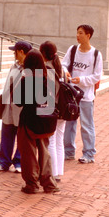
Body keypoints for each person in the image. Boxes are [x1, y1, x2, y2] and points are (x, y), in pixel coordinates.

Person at [14, 49, 60, 194]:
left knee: (28, 154)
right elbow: (53, 99)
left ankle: (31, 183)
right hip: (46, 119)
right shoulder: (50, 75)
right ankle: (49, 183)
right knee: (45, 152)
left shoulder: (28, 78)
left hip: (30, 120)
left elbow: (19, 102)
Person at [61, 25, 102, 163]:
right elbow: (64, 64)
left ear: (88, 35)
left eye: (80, 33)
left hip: (86, 96)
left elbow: (97, 76)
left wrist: (82, 80)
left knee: (86, 124)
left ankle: (89, 154)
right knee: (69, 124)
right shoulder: (72, 50)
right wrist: (65, 71)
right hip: (71, 94)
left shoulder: (96, 54)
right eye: (77, 32)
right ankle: (68, 152)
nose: (77, 36)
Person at [0, 41, 32, 173]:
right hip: (9, 107)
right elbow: (7, 86)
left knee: (22, 137)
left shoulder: (31, 68)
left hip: (22, 109)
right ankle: (3, 161)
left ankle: (19, 161)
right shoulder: (14, 67)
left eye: (15, 51)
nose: (14, 54)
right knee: (6, 134)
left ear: (21, 52)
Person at [40, 41, 66, 182]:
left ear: (43, 53)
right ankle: (58, 171)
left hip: (52, 109)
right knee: (59, 141)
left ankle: (53, 173)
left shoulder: (46, 69)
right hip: (63, 110)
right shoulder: (61, 68)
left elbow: (46, 94)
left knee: (51, 141)